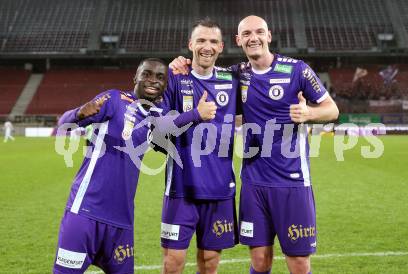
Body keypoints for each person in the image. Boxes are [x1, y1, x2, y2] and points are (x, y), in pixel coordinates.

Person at [170, 15, 339, 274]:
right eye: (247, 34)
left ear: (269, 36)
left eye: (259, 32)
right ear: (238, 41)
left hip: (291, 180)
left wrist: (309, 114)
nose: (253, 38)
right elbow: (205, 76)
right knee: (260, 260)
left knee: (300, 263)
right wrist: (181, 63)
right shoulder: (237, 75)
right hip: (253, 181)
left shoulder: (297, 69)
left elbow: (332, 109)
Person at [53, 58, 215, 274]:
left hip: (122, 221)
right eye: (147, 74)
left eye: (160, 77)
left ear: (165, 85)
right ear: (135, 77)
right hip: (85, 213)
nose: (153, 81)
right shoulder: (113, 99)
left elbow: (166, 125)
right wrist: (79, 113)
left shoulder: (156, 114)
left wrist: (194, 109)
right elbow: (63, 124)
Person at [160, 18, 239, 274]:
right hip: (181, 189)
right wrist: (196, 114)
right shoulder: (173, 77)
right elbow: (158, 130)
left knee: (210, 263)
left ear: (221, 47)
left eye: (213, 41)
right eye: (201, 40)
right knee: (173, 263)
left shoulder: (233, 79)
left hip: (219, 189)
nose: (207, 46)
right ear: (190, 44)